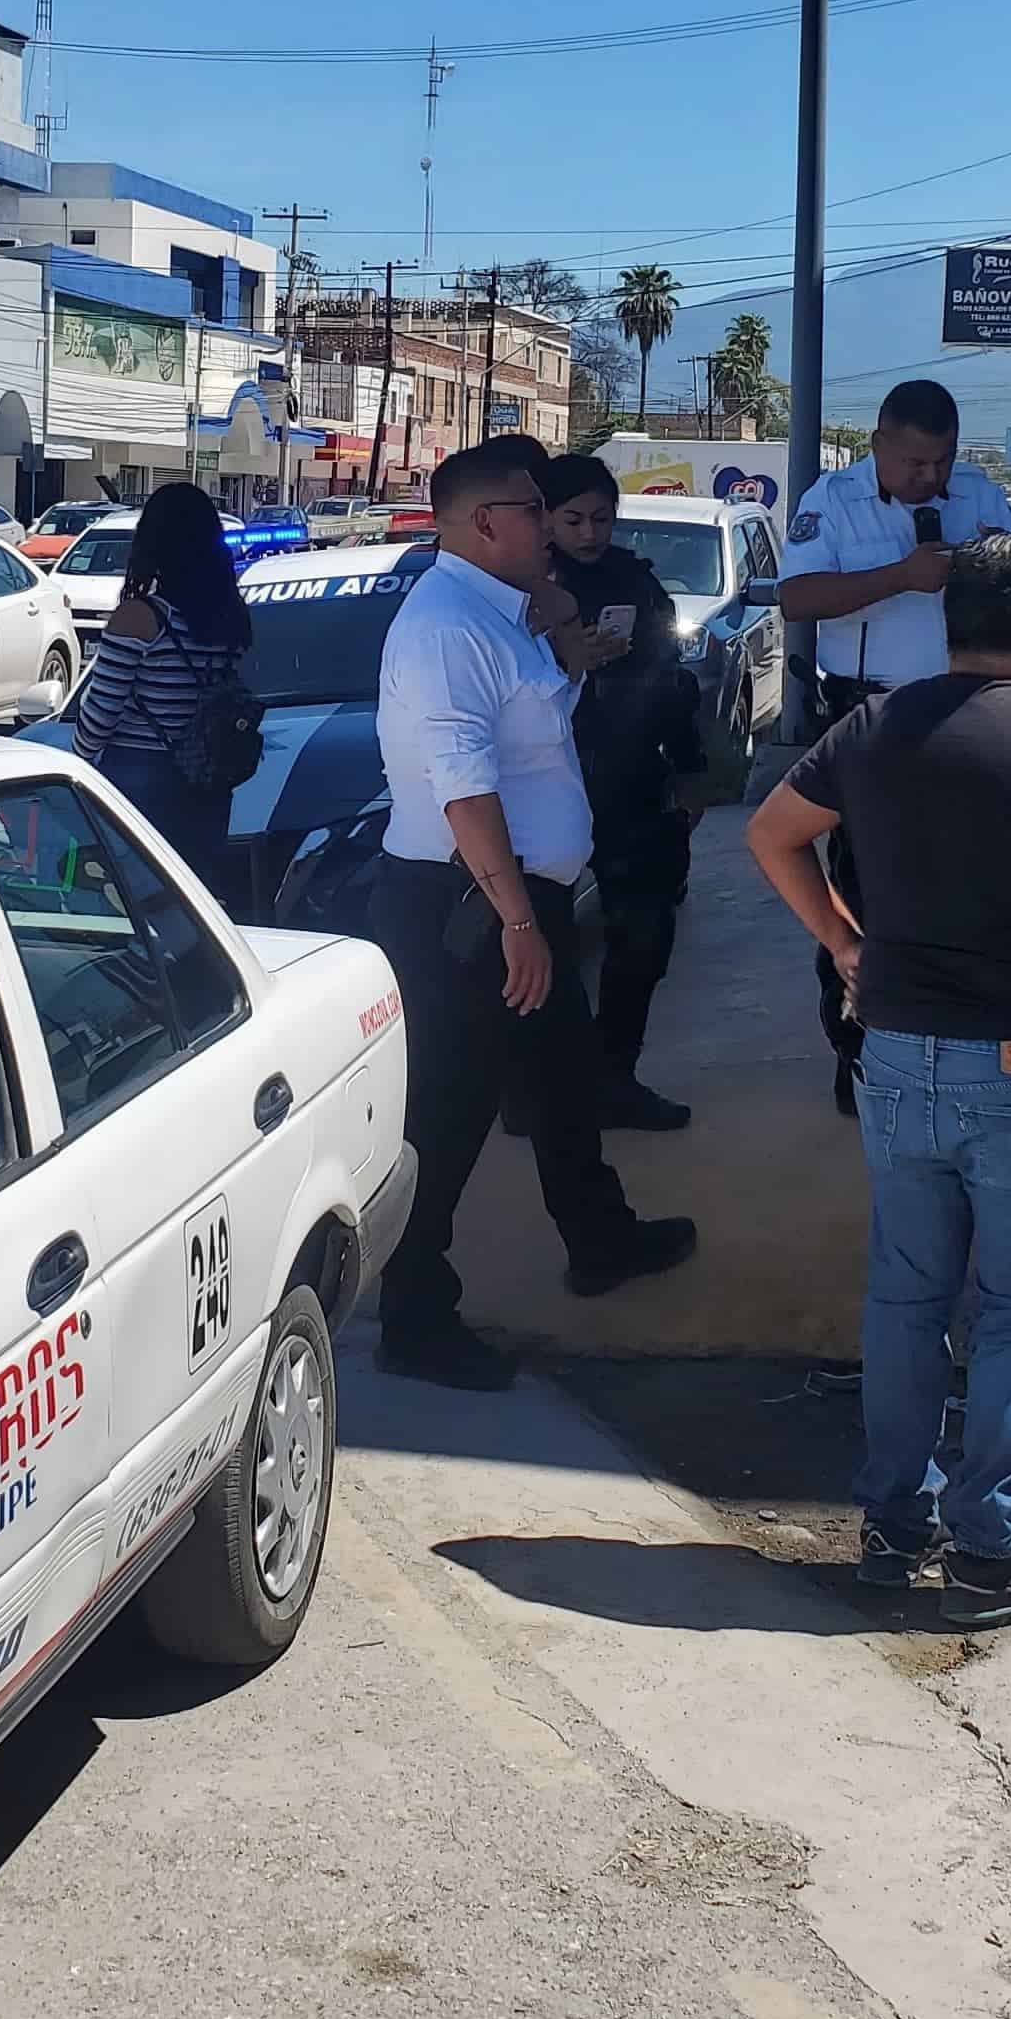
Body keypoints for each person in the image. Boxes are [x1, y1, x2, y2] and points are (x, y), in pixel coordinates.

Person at [746, 532, 1011, 1619]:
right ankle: (989, 1552)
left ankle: (894, 1532)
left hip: (895, 1057)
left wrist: (846, 945)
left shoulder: (875, 727)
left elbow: (772, 835)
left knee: (907, 1299)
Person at [370, 438, 699, 1391]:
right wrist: (518, 921)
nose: (549, 526)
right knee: (450, 1107)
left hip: (516, 896)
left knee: (562, 1082)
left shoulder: (498, 611)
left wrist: (549, 600)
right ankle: (413, 1313)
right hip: (470, 904)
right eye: (529, 510)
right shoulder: (447, 629)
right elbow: (463, 789)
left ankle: (601, 1238)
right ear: (482, 523)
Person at [776, 378, 1011, 1111]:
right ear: (880, 444)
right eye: (916, 464)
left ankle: (957, 1040)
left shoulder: (976, 494)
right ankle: (858, 1053)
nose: (930, 479)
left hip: (966, 716)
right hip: (870, 718)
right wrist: (900, 578)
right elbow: (798, 599)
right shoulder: (834, 499)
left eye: (942, 463)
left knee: (970, 886)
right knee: (863, 894)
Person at [537, 452, 708, 1128]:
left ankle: (615, 1076)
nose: (588, 533)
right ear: (545, 519)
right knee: (542, 951)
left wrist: (690, 768)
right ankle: (536, 1088)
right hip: (548, 786)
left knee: (643, 937)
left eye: (600, 518)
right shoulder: (521, 589)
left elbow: (673, 680)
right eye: (572, 519)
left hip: (633, 784)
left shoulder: (633, 581)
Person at [72, 478, 256, 881]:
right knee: (190, 893)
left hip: (141, 773)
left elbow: (100, 716)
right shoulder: (230, 615)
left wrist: (80, 762)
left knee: (136, 893)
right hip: (209, 776)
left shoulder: (140, 617)